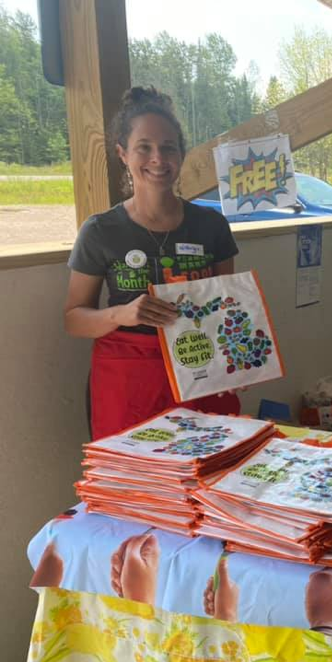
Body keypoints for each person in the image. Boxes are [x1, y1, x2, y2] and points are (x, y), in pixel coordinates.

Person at [64, 86, 241, 440]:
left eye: (168, 147)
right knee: (133, 485)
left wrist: (240, 363)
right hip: (127, 378)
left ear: (181, 154)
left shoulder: (212, 226)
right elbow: (73, 319)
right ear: (123, 153)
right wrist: (121, 314)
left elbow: (229, 309)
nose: (158, 158)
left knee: (205, 480)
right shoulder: (100, 230)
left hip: (200, 370)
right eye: (144, 147)